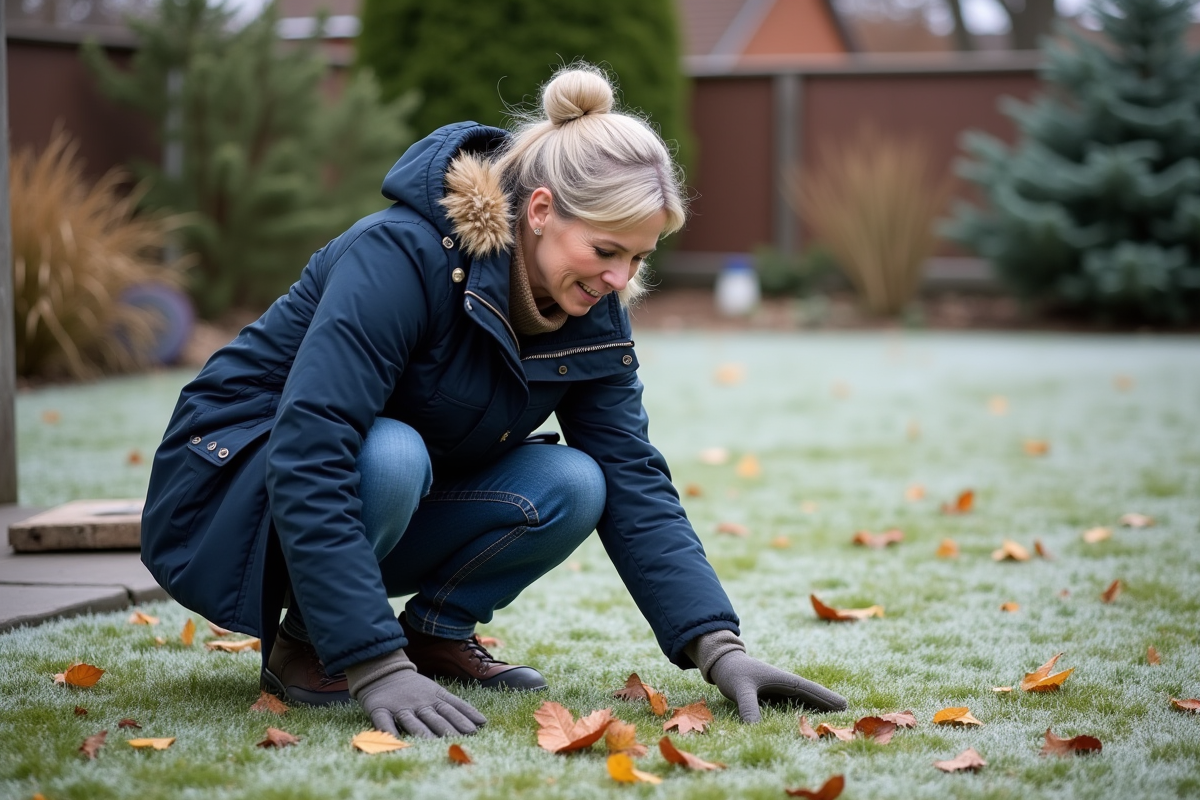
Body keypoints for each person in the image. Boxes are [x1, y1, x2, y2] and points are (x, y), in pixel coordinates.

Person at [141, 64, 847, 739]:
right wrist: (372, 662)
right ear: (540, 210)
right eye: (606, 249)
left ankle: (436, 635)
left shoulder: (593, 305)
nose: (619, 277)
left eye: (638, 257)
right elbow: (310, 446)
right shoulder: (401, 255)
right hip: (236, 491)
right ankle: (312, 646)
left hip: (381, 488)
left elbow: (632, 473)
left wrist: (718, 648)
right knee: (390, 454)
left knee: (577, 481)